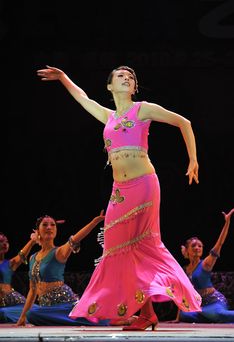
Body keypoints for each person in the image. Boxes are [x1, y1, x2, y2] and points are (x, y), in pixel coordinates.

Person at [36, 65, 202, 331]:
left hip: (145, 186)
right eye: (120, 76)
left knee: (142, 246)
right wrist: (64, 78)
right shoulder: (108, 116)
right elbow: (83, 98)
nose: (127, 78)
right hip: (119, 191)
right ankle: (141, 310)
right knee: (115, 248)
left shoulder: (142, 109)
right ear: (110, 87)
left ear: (134, 88)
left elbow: (185, 122)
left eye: (131, 77)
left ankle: (146, 312)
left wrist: (193, 160)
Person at [16, 211, 110, 326]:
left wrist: (94, 222)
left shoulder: (59, 252)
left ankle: (105, 318)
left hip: (65, 303)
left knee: (34, 314)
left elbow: (76, 239)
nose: (49, 227)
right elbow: (32, 290)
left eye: (52, 225)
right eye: (45, 225)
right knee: (32, 315)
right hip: (47, 308)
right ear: (38, 231)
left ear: (56, 230)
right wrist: (22, 317)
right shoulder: (32, 258)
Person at [178, 207, 234, 323]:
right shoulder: (184, 270)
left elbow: (220, 243)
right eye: (193, 246)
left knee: (219, 314)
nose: (197, 248)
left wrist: (227, 222)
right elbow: (182, 294)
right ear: (187, 250)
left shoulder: (206, 264)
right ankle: (210, 317)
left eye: (200, 246)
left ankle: (215, 315)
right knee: (185, 315)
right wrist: (177, 318)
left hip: (214, 302)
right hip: (200, 305)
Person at [0, 232, 36, 323]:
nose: (4, 244)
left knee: (35, 311)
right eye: (0, 241)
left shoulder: (9, 264)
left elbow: (22, 255)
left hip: (14, 301)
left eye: (6, 242)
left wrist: (33, 240)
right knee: (3, 314)